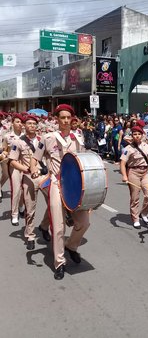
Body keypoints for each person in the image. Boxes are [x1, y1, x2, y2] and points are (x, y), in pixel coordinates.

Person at [31, 104, 90, 280]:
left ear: (72, 119)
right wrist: (34, 169)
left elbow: (84, 162)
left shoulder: (78, 138)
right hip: (56, 183)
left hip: (75, 185)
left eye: (68, 117)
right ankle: (59, 262)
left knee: (84, 222)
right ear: (56, 119)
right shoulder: (48, 138)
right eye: (62, 117)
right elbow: (35, 159)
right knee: (58, 226)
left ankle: (71, 246)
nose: (65, 121)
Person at [8, 115, 50, 250]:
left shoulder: (43, 140)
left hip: (44, 177)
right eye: (29, 123)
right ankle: (30, 235)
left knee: (53, 204)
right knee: (30, 209)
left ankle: (44, 226)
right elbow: (13, 161)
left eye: (34, 123)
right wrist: (27, 169)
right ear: (24, 126)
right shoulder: (17, 142)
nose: (32, 125)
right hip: (28, 177)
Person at [120, 126, 148, 229]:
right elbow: (122, 163)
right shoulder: (127, 149)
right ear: (132, 136)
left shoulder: (146, 146)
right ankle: (135, 219)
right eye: (135, 134)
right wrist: (124, 176)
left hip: (145, 172)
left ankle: (143, 213)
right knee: (135, 197)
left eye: (139, 134)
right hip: (133, 172)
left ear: (142, 135)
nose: (137, 136)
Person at [3, 113, 25, 225]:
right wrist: (3, 154)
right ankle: (14, 214)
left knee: (24, 190)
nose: (20, 124)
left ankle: (21, 206)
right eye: (17, 122)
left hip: (25, 165)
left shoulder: (26, 136)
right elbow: (4, 149)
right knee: (16, 189)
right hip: (13, 164)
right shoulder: (7, 136)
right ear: (12, 123)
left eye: (21, 122)